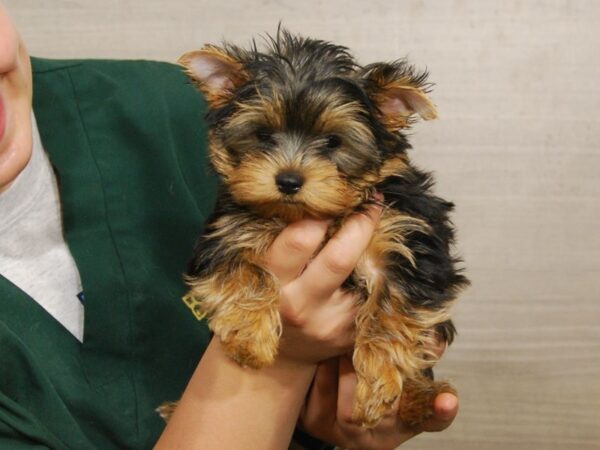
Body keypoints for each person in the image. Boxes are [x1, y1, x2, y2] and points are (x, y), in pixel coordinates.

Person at [0, 3, 458, 449]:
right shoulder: (238, 215)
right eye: (263, 138)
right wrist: (283, 363)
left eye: (333, 143)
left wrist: (379, 365)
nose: (290, 170)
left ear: (390, 123)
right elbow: (221, 274)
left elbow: (425, 290)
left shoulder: (152, 101)